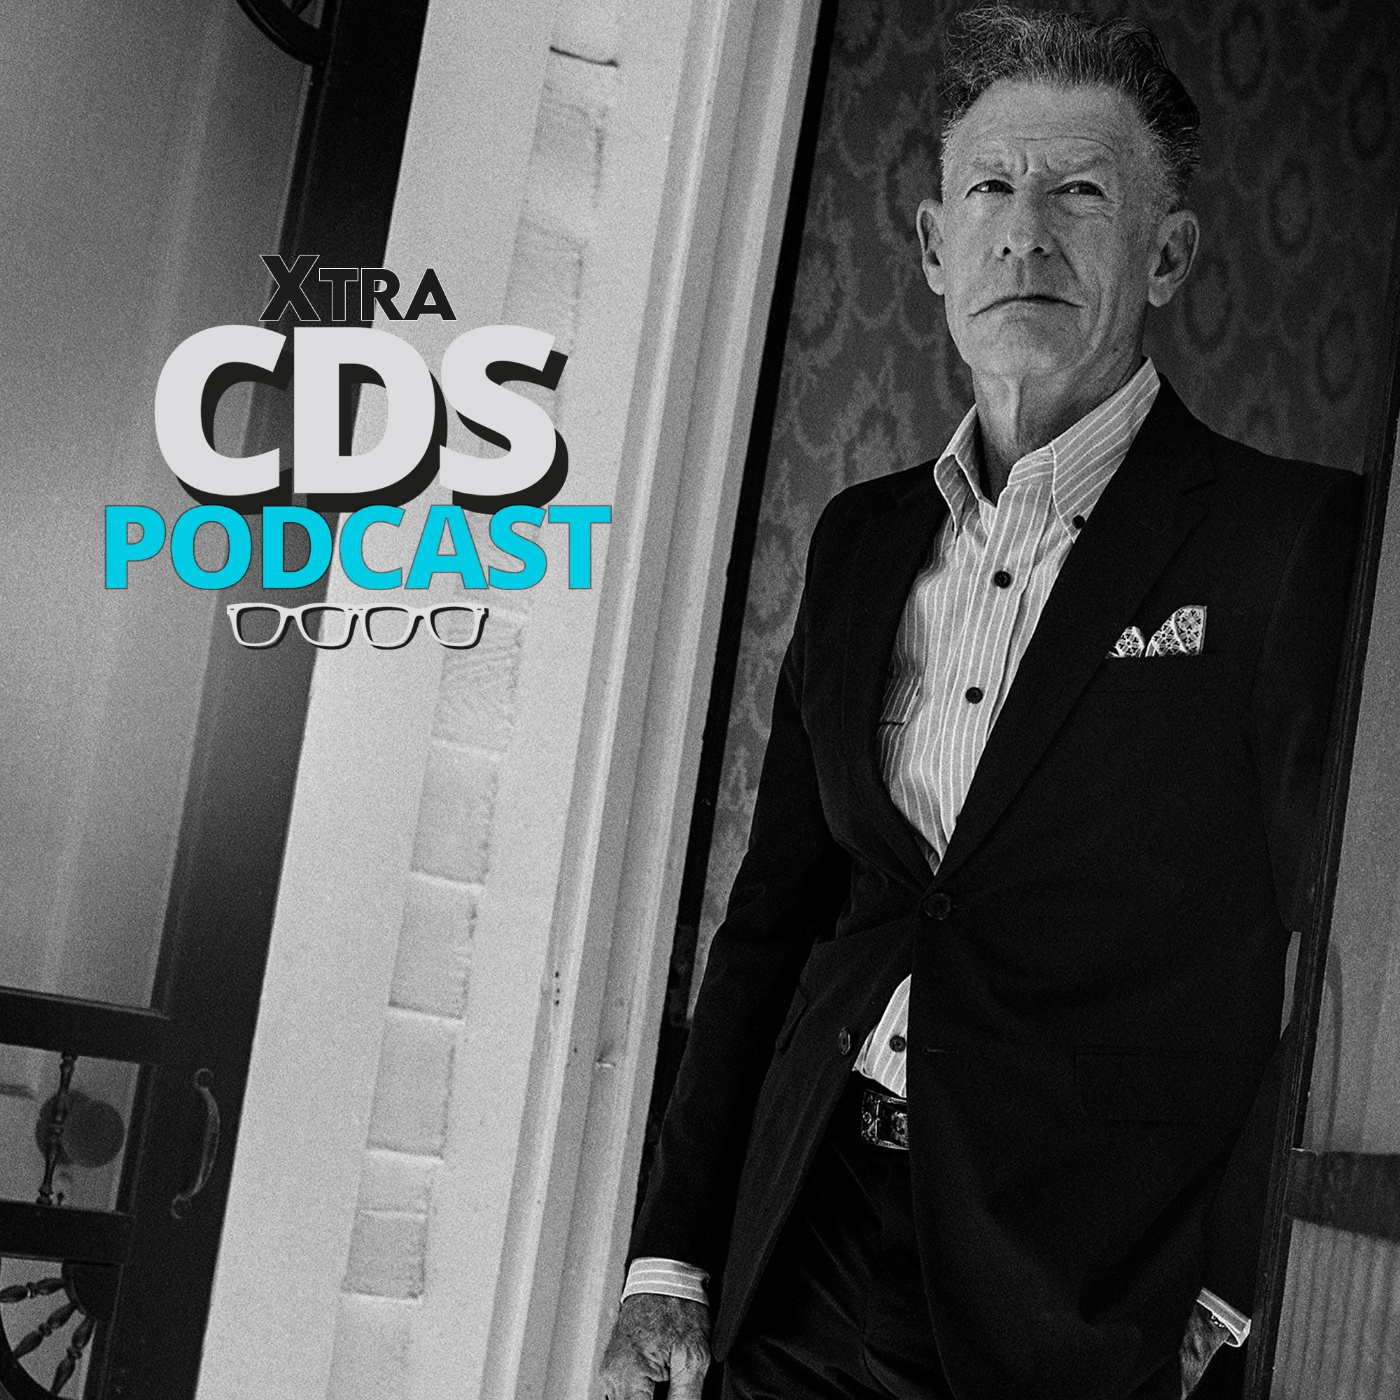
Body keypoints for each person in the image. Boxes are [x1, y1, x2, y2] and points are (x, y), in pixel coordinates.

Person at [600, 8, 1360, 1399]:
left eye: (1083, 194)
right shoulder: (861, 540)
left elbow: (1345, 962)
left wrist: (1231, 1280)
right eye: (993, 188)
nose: (1027, 234)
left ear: (1168, 254)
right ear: (934, 244)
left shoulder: (1293, 544)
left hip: (1075, 1293)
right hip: (804, 1236)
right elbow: (776, 914)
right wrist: (673, 1254)